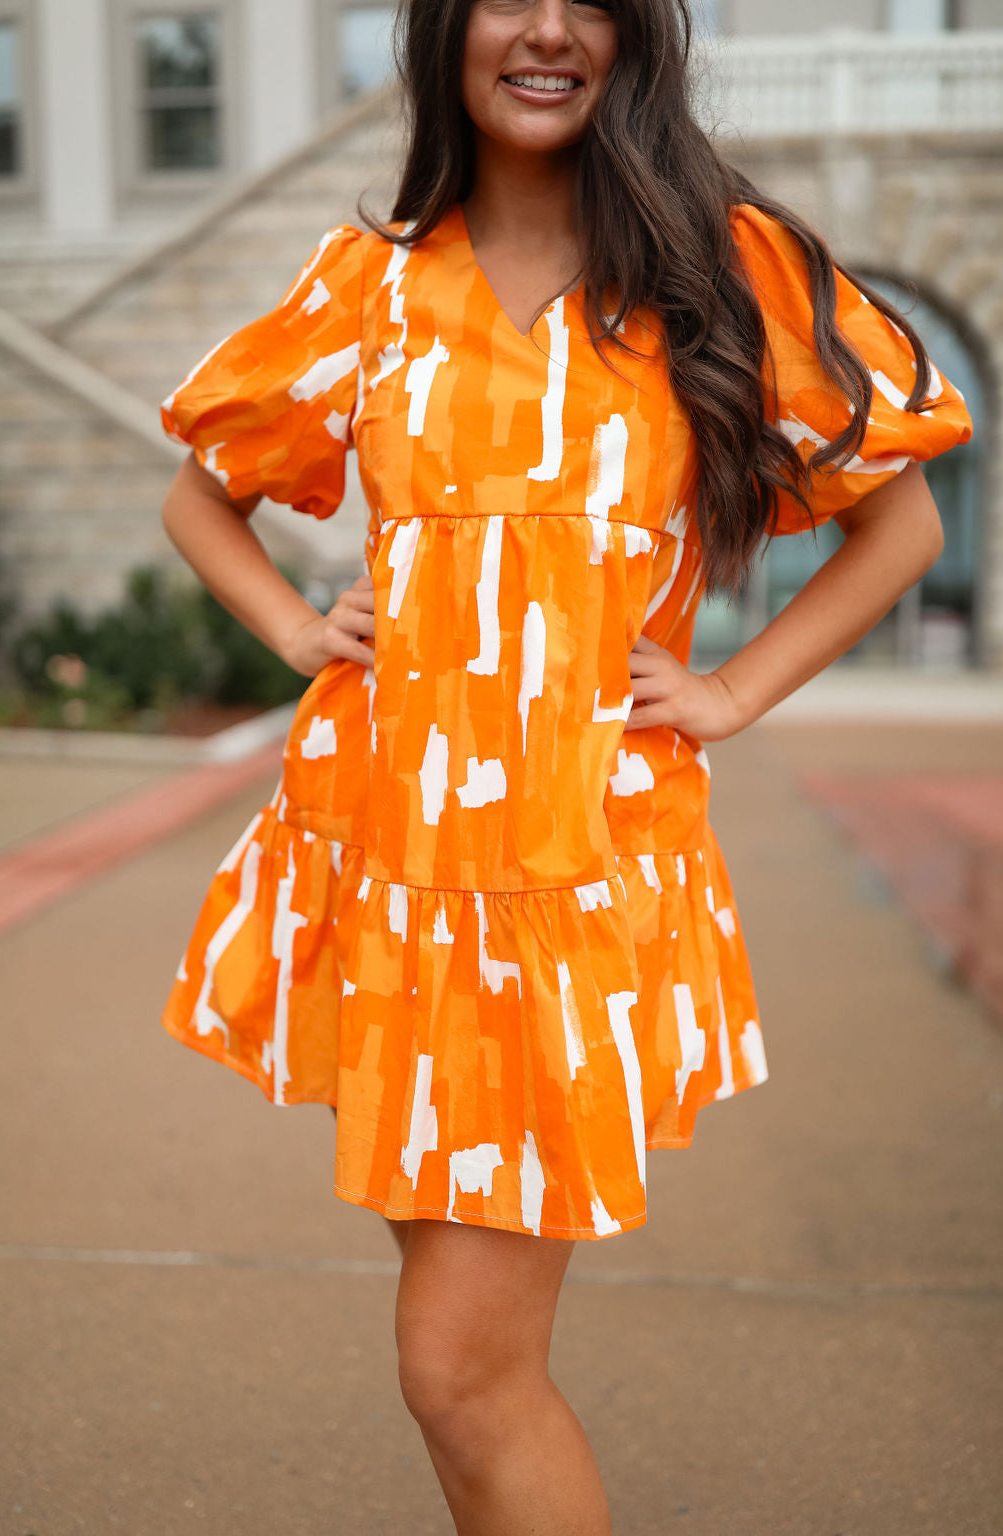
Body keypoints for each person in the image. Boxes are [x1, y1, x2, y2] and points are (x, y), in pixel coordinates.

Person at [157, 1, 973, 1529]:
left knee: (461, 1370)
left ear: (633, 36)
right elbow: (203, 496)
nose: (545, 30)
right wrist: (294, 627)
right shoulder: (377, 283)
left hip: (566, 877)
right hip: (390, 859)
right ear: (445, 33)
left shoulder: (721, 267)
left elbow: (902, 524)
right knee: (463, 1369)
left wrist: (728, 691)